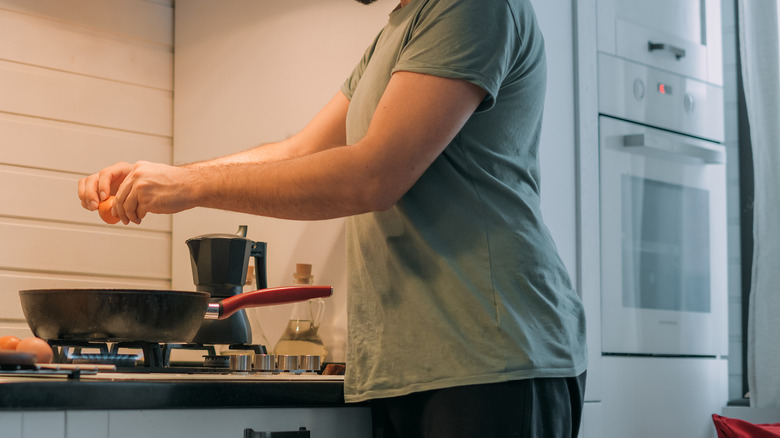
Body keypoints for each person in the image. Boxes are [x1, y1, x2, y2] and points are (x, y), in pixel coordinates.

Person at [78, 0, 587, 436]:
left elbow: (373, 176)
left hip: (490, 360)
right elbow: (300, 150)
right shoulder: (401, 28)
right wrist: (170, 176)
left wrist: (190, 187)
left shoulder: (471, 7)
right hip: (411, 368)